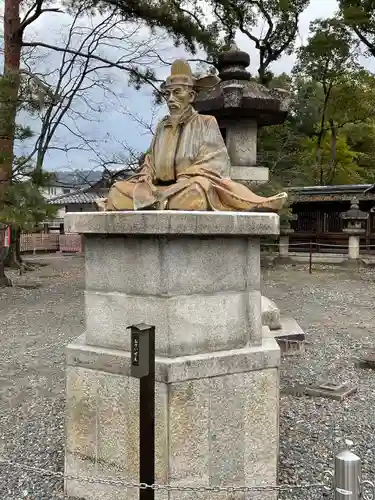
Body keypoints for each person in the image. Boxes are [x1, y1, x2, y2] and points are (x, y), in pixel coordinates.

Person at [96, 59, 287, 212]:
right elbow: (150, 162)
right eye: (167, 94)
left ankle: (159, 202)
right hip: (157, 189)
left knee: (196, 192)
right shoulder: (162, 126)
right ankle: (157, 201)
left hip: (186, 186)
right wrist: (146, 177)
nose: (171, 99)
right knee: (117, 190)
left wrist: (184, 179)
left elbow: (214, 162)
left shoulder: (206, 122)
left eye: (177, 93)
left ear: (192, 96)